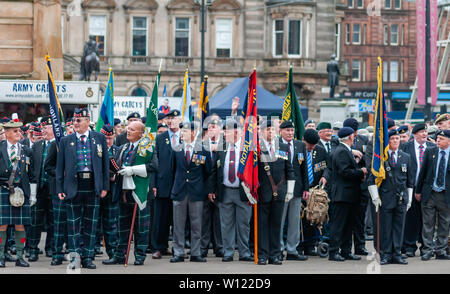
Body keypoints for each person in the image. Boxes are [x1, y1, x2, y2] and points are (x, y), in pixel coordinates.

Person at [56, 107, 109, 269]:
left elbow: (105, 165)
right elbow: (60, 168)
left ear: (87, 121)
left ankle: (88, 257)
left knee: (91, 225)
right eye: (74, 120)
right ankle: (74, 258)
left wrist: (105, 186)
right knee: (73, 225)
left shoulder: (99, 138)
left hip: (93, 185)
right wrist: (59, 188)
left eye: (79, 120)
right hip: (73, 186)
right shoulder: (66, 140)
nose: (75, 123)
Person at [103, 121, 158, 266]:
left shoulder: (147, 149)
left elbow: (154, 166)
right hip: (123, 192)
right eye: (128, 129)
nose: (128, 131)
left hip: (140, 192)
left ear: (141, 133)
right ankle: (120, 255)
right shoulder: (123, 147)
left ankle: (140, 255)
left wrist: (132, 170)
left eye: (132, 130)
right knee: (122, 227)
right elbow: (115, 164)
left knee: (141, 227)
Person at [207, 119, 253, 262]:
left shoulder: (248, 148)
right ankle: (228, 252)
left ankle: (244, 252)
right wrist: (212, 189)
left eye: (226, 131)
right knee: (226, 224)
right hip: (225, 191)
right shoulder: (222, 147)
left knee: (243, 224)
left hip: (242, 192)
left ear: (236, 132)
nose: (224, 133)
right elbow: (214, 170)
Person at [368, 129, 414, 265]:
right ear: (387, 141)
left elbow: (410, 180)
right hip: (385, 198)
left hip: (401, 198)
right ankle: (386, 254)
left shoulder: (406, 157)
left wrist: (409, 198)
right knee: (386, 228)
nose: (395, 141)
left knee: (399, 227)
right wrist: (375, 197)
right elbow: (371, 179)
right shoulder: (380, 158)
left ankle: (397, 253)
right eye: (392, 139)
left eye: (397, 139)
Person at [253, 120, 294, 265]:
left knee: (277, 225)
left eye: (272, 129)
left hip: (280, 192)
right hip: (263, 192)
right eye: (267, 130)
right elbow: (251, 172)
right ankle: (263, 255)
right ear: (261, 132)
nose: (270, 132)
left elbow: (289, 170)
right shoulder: (256, 148)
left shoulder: (282, 147)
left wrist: (290, 190)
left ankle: (275, 255)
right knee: (262, 226)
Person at [170, 122, 211, 263]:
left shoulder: (203, 150)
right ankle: (178, 253)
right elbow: (172, 170)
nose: (182, 134)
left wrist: (203, 188)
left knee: (196, 225)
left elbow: (208, 171)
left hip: (196, 193)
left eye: (185, 132)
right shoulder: (176, 149)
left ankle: (195, 252)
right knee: (178, 225)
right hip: (180, 191)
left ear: (193, 133)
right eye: (182, 132)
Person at [0, 118, 36, 267]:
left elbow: (32, 174)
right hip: (2, 190)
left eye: (19, 131)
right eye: (15, 131)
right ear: (7, 133)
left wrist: (32, 194)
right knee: (2, 224)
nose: (18, 133)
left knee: (20, 224)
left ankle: (20, 257)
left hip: (21, 192)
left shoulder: (26, 150)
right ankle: (1, 256)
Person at [328, 127, 367, 262]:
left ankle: (346, 251)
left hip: (349, 194)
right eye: (353, 135)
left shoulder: (345, 151)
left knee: (348, 225)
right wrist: (361, 171)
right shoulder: (342, 151)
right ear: (350, 137)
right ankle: (333, 252)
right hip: (342, 194)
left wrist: (356, 169)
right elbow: (345, 172)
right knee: (339, 225)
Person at [400, 123, 435, 257]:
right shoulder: (406, 147)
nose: (424, 134)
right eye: (421, 132)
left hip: (428, 189)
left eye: (425, 132)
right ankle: (409, 245)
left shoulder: (432, 147)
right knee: (411, 218)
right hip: (410, 187)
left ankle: (425, 246)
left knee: (427, 219)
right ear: (414, 134)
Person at [415, 130, 450, 261]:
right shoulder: (431, 152)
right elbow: (422, 173)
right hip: (430, 193)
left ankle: (440, 250)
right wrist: (418, 191)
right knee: (428, 223)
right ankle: (427, 250)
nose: (437, 141)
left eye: (441, 139)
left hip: (446, 195)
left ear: (449, 141)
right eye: (437, 138)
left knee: (444, 223)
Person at [151, 109, 181, 260]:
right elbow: (154, 163)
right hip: (162, 184)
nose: (171, 121)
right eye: (168, 118)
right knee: (160, 219)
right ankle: (158, 247)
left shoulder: (185, 138)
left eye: (174, 118)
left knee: (178, 220)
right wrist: (154, 184)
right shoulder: (160, 138)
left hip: (180, 185)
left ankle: (178, 248)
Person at [278, 121, 309, 261]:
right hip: (280, 188)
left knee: (294, 221)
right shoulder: (276, 144)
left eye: (292, 130)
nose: (290, 133)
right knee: (279, 220)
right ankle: (277, 249)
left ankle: (292, 249)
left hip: (296, 188)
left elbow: (304, 169)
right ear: (281, 131)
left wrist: (306, 188)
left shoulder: (300, 145)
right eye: (287, 130)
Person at [298, 129, 330, 256]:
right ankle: (300, 245)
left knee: (314, 217)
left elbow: (329, 167)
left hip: (316, 189)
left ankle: (311, 245)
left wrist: (325, 176)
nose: (312, 147)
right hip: (300, 189)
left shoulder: (320, 150)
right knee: (300, 219)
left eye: (314, 145)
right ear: (303, 140)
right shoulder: (298, 149)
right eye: (310, 145)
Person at [28, 116, 55, 262]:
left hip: (53, 189)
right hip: (38, 189)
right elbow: (32, 169)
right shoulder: (37, 146)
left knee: (53, 221)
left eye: (46, 128)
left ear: (53, 128)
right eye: (42, 127)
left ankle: (50, 248)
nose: (43, 130)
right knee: (35, 221)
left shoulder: (59, 145)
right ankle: (33, 249)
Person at [343, 118, 370, 256]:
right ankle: (346, 248)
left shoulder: (364, 139)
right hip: (348, 185)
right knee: (347, 219)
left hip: (361, 185)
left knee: (360, 219)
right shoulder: (340, 140)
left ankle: (360, 246)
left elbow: (370, 156)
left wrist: (362, 159)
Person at [95, 125, 120, 261]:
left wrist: (113, 176)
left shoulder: (118, 151)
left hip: (112, 192)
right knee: (94, 224)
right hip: (97, 191)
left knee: (111, 225)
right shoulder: (95, 150)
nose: (108, 141)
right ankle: (91, 251)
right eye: (105, 138)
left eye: (110, 138)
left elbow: (120, 170)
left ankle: (112, 253)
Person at [43, 129, 67, 266]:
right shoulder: (55, 145)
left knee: (73, 224)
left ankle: (69, 251)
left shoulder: (78, 143)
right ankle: (56, 252)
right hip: (58, 188)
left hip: (74, 188)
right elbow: (48, 166)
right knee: (58, 223)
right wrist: (61, 174)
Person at [201, 118, 224, 258]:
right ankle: (203, 247)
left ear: (220, 130)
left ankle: (219, 247)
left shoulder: (225, 145)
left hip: (219, 188)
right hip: (203, 188)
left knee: (219, 219)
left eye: (214, 127)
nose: (211, 129)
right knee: (203, 219)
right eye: (209, 127)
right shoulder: (201, 145)